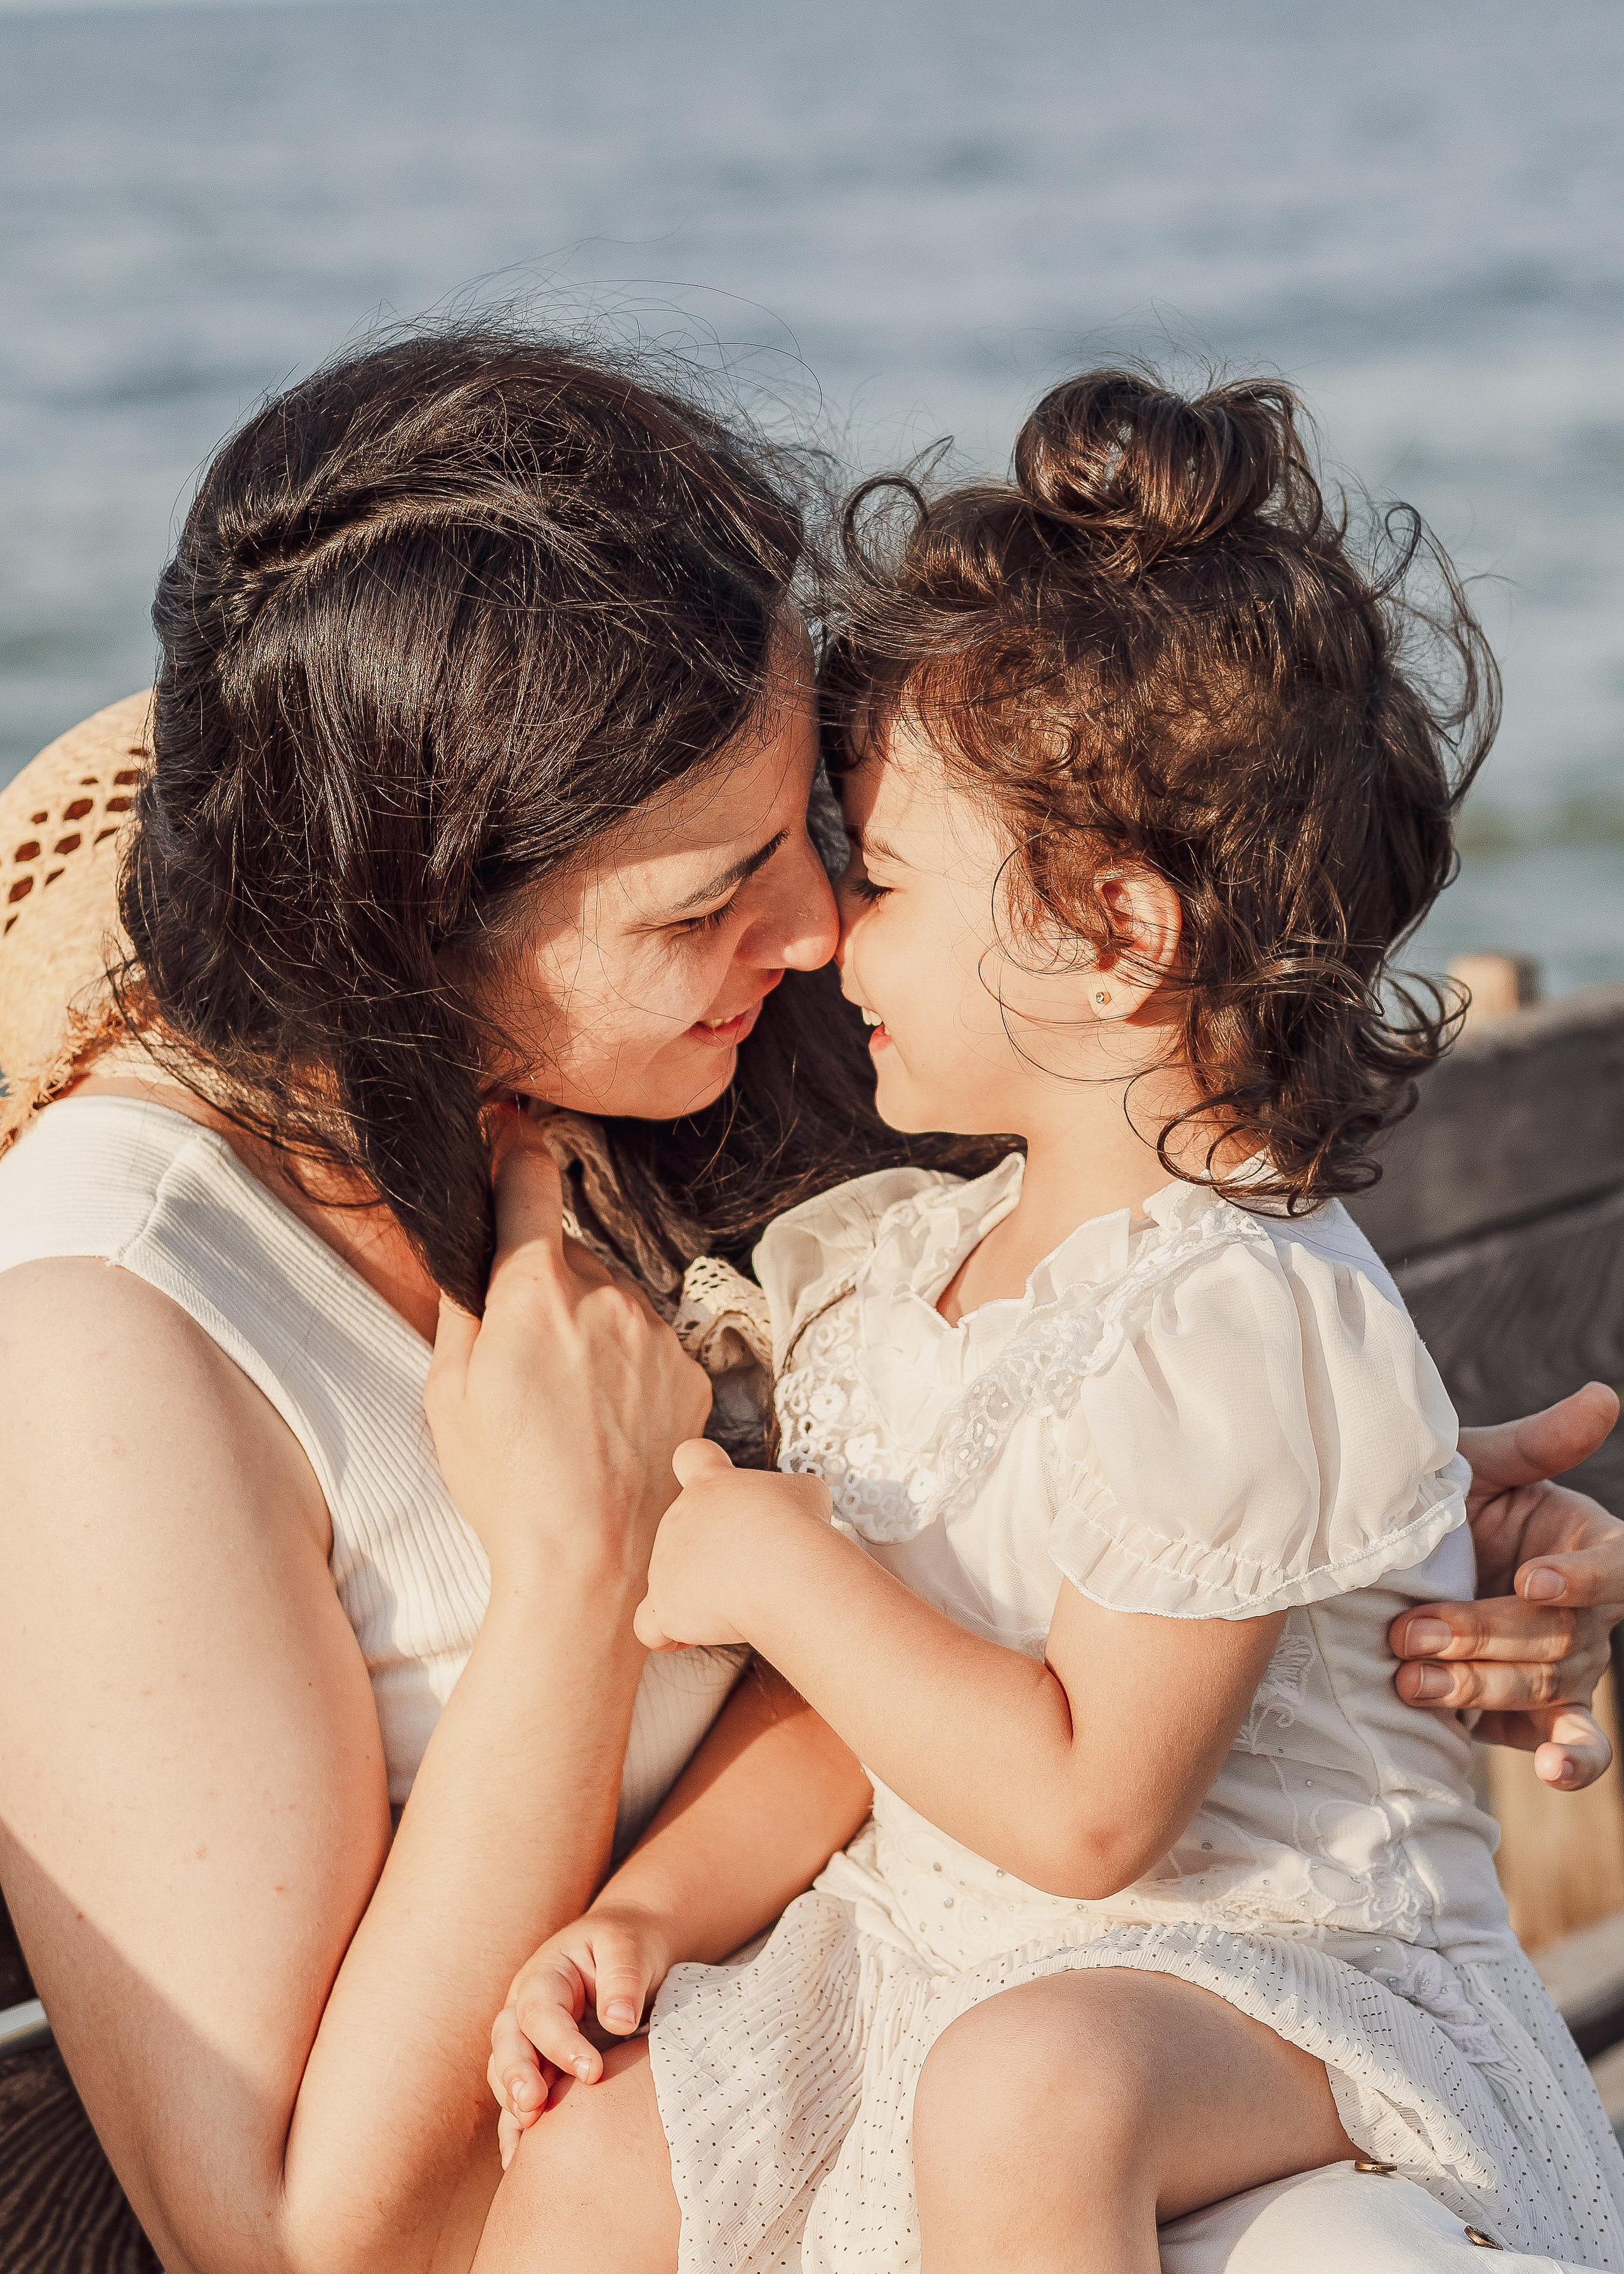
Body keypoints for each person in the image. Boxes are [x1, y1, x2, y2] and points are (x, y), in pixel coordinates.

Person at [0, 331, 1618, 2274]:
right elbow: (294, 2246)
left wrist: (1431, 1552)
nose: (817, 931)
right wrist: (589, 1569)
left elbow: (1128, 1411)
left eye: (820, 841)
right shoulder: (102, 1330)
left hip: (1088, 2087)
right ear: (415, 914)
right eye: (707, 896)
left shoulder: (727, 1058)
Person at [480, 371, 1624, 2272]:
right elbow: (863, 1722)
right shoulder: (925, 1265)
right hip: (962, 1959)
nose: (838, 935)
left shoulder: (1238, 1315)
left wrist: (786, 1573)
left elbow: (1095, 1814)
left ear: (1115, 937)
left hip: (1276, 1984)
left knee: (1035, 2091)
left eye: (885, 873)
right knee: (606, 2155)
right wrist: (658, 1916)